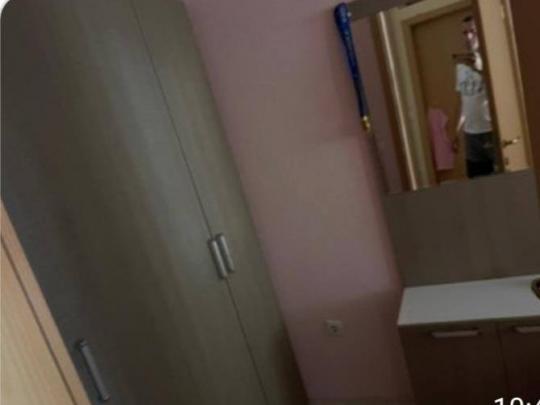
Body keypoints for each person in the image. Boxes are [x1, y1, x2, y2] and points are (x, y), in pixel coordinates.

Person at [455, 15, 495, 178]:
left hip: (490, 131)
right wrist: (456, 131)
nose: (469, 37)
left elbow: (500, 89)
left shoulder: (493, 58)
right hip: (470, 134)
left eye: (473, 31)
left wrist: (479, 69)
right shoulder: (461, 65)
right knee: (476, 179)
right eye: (465, 33)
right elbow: (462, 100)